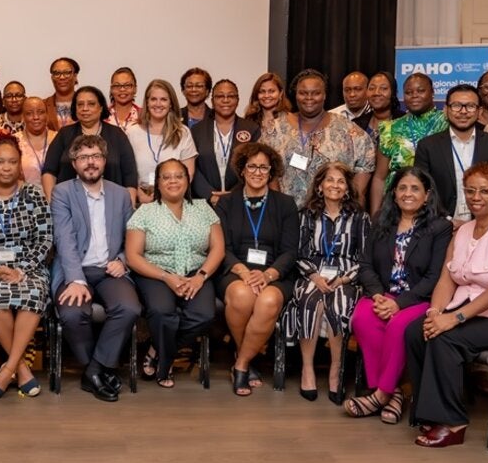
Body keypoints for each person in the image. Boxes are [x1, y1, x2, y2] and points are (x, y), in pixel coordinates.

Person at [405, 163, 488, 447]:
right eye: (471, 190)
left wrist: (454, 319)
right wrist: (435, 312)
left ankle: (454, 422)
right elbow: (446, 279)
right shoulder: (463, 231)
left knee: (446, 339)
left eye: (485, 191)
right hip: (473, 314)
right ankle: (429, 411)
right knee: (417, 331)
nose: (476, 196)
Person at [348, 166, 451, 423]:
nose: (408, 193)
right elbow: (366, 265)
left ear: (427, 195)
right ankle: (394, 393)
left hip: (418, 298)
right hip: (383, 294)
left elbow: (434, 277)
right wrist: (378, 296)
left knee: (398, 327)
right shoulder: (381, 221)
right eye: (402, 188)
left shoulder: (439, 228)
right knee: (363, 319)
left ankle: (379, 395)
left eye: (415, 188)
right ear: (393, 193)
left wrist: (400, 304)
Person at [51, 135, 141, 402]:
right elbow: (64, 239)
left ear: (104, 160)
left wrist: (123, 259)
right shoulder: (62, 192)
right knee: (71, 312)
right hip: (75, 269)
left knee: (129, 308)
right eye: (83, 158)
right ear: (74, 163)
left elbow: (133, 236)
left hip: (110, 270)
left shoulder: (120, 194)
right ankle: (99, 371)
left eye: (96, 157)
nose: (90, 163)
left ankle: (94, 370)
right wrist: (76, 279)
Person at [0, 134, 53, 400]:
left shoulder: (34, 196)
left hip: (29, 268)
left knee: (33, 294)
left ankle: (6, 373)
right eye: (0, 162)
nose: (6, 167)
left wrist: (22, 269)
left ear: (19, 165)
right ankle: (22, 370)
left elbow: (45, 238)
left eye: (12, 162)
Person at [126, 158, 223, 388]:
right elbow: (133, 256)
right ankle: (165, 363)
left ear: (188, 181)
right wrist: (166, 277)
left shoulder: (203, 208)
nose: (173, 181)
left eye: (179, 176)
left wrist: (201, 276)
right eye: (166, 177)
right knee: (162, 312)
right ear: (158, 183)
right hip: (156, 273)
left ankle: (159, 351)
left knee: (204, 315)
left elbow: (218, 248)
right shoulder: (145, 212)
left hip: (195, 272)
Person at [282, 162, 370, 403]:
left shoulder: (360, 217)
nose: (335, 185)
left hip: (346, 276)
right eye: (330, 180)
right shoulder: (306, 215)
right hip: (311, 273)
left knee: (338, 304)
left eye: (341, 181)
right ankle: (307, 368)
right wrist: (314, 277)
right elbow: (298, 253)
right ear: (320, 186)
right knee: (311, 301)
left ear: (348, 188)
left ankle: (336, 369)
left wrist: (342, 278)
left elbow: (364, 257)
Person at [215, 143, 298, 396]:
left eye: (264, 167)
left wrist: (268, 274)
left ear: (271, 171)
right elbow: (221, 247)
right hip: (235, 269)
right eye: (252, 166)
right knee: (242, 295)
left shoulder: (285, 204)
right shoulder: (226, 203)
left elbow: (290, 251)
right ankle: (248, 360)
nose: (258, 172)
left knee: (269, 300)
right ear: (242, 169)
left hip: (275, 272)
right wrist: (242, 271)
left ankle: (240, 363)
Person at [263, 69, 375, 202]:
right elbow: (265, 167)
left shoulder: (346, 129)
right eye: (303, 93)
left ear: (324, 95)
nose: (309, 98)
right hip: (285, 214)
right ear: (296, 94)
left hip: (332, 215)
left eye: (316, 93)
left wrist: (350, 203)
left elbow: (366, 162)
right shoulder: (275, 129)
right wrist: (278, 206)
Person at [413, 84, 488, 226]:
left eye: (470, 106)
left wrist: (487, 220)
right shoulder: (428, 146)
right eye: (456, 106)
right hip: (440, 225)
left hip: (486, 225)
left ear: (480, 111)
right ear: (446, 110)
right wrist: (446, 221)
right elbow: (422, 189)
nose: (463, 111)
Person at [370, 72, 445, 215]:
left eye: (421, 91)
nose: (414, 95)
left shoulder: (447, 122)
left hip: (436, 205)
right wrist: (375, 215)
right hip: (396, 206)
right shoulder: (390, 128)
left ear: (433, 93)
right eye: (409, 92)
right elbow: (380, 177)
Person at [42, 86, 139, 192]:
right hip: (68, 204)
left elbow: (130, 176)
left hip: (112, 204)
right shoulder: (64, 134)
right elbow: (49, 171)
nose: (85, 108)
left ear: (101, 108)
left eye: (91, 104)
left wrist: (129, 205)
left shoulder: (117, 135)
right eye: (80, 104)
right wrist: (52, 203)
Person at [126, 80, 198, 205]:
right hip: (141, 201)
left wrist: (168, 194)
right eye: (153, 99)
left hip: (174, 201)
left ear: (171, 103)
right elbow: (126, 171)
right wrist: (138, 193)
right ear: (147, 102)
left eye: (164, 99)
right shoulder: (132, 132)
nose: (158, 104)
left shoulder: (183, 133)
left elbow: (188, 173)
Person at [190, 79, 260, 206]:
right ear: (212, 101)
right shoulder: (196, 130)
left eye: (231, 96)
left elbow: (254, 166)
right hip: (205, 202)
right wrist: (209, 195)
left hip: (241, 200)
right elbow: (193, 168)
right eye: (220, 96)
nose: (225, 100)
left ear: (237, 100)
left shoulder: (251, 129)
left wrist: (234, 194)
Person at [15, 96, 54, 194]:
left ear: (47, 115)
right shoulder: (14, 141)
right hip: (25, 200)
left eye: (40, 112)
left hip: (57, 200)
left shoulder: (58, 138)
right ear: (23, 117)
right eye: (29, 113)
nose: (36, 117)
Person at [354, 71, 405, 137]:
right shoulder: (356, 124)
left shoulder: (405, 123)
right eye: (372, 88)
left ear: (393, 93)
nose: (376, 93)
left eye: (383, 88)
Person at [49, 57, 80, 128]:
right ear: (52, 78)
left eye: (67, 73)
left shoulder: (86, 104)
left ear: (75, 76)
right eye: (57, 73)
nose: (62, 77)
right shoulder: (43, 105)